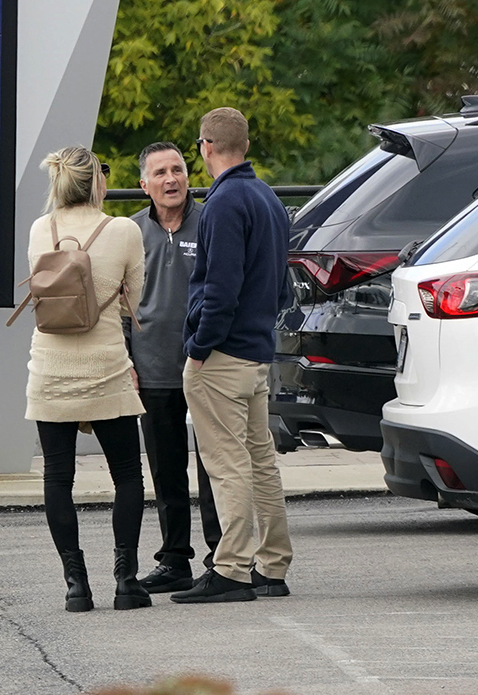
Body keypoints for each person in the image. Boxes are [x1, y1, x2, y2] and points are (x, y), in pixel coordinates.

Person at [172, 107, 294, 604]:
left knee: (227, 464)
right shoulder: (267, 197)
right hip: (256, 352)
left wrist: (200, 348)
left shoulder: (223, 203)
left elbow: (219, 289)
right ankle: (272, 564)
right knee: (260, 460)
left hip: (221, 355)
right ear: (243, 144)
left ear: (205, 146)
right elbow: (282, 286)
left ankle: (232, 569)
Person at [23, 146, 150, 613]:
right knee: (127, 476)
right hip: (106, 368)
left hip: (49, 370)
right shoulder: (124, 230)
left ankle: (76, 585)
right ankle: (126, 581)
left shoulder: (41, 229)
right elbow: (133, 297)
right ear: (98, 180)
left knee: (58, 478)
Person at [128, 141, 222, 594]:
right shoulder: (129, 232)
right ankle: (174, 560)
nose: (172, 179)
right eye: (161, 173)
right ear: (143, 184)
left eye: (178, 170)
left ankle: (221, 557)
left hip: (206, 364)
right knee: (166, 469)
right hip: (151, 368)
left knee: (213, 465)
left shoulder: (211, 222)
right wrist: (126, 359)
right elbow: (118, 303)